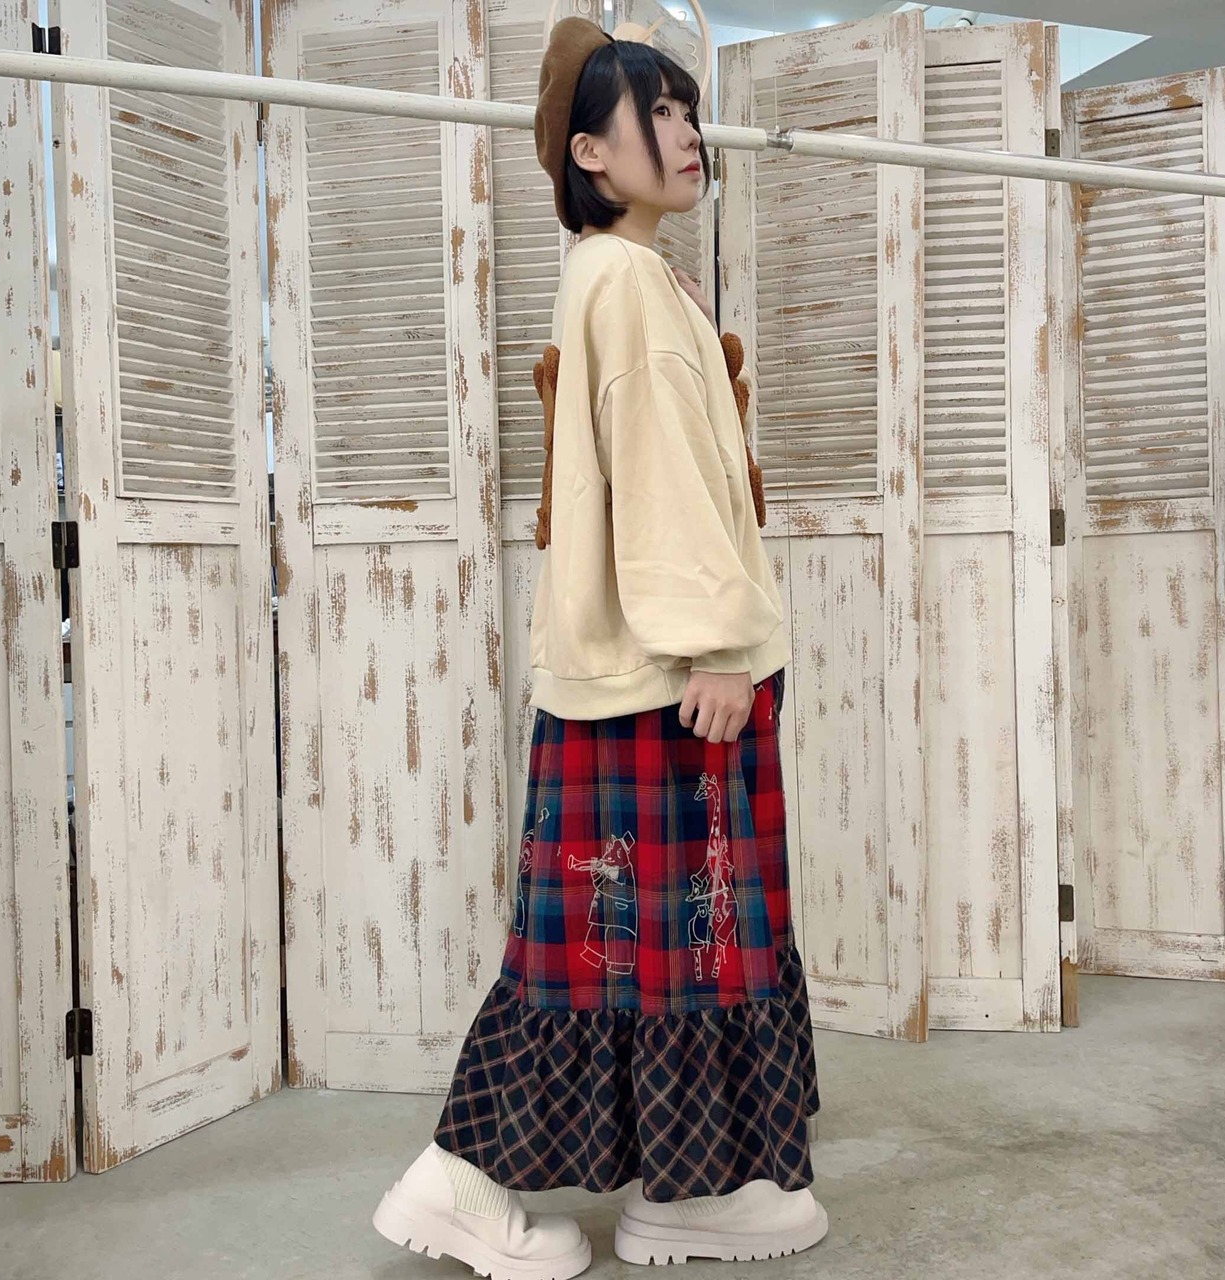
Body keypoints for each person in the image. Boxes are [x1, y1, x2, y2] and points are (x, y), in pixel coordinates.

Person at [372, 17, 825, 1277]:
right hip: (665, 680)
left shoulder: (631, 275)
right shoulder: (621, 279)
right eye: (655, 112)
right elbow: (660, 476)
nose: (687, 131)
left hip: (645, 676)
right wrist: (715, 641)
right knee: (619, 956)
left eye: (686, 108)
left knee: (658, 956)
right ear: (589, 151)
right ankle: (462, 1181)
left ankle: (689, 1191)